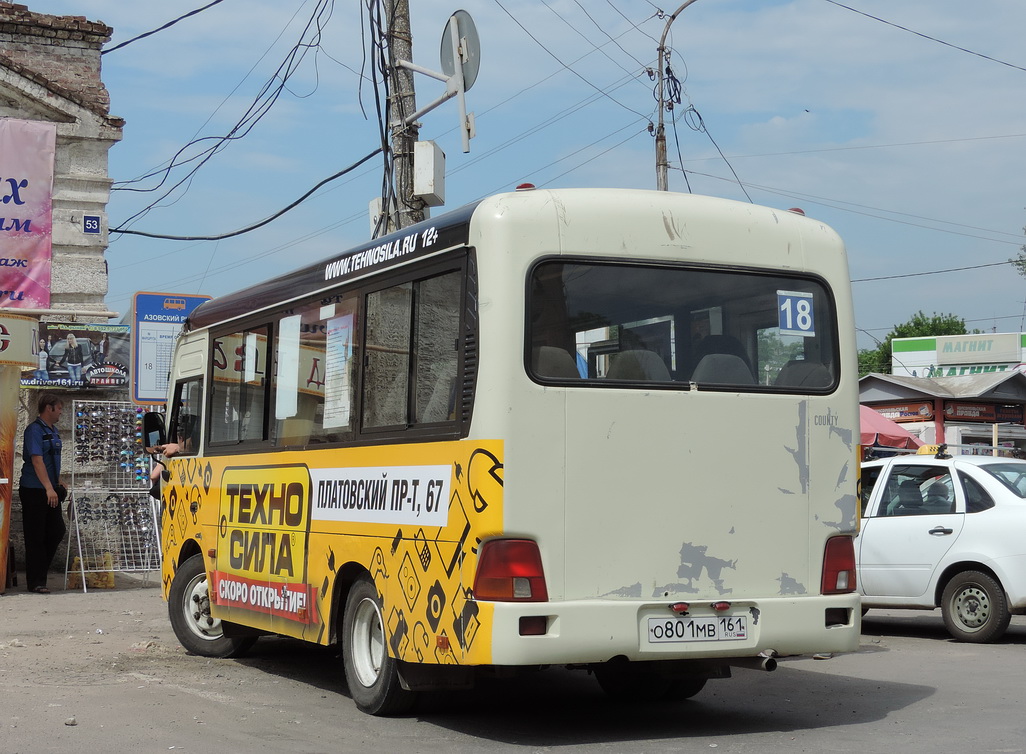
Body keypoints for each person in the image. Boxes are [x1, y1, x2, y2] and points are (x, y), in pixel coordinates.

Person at [18, 392, 67, 594]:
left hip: (49, 488)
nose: (60, 413)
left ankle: (39, 572)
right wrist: (48, 488)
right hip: (34, 490)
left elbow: (50, 460)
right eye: (59, 409)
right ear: (49, 408)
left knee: (56, 531)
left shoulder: (53, 431)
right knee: (35, 536)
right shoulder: (34, 430)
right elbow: (37, 460)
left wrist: (57, 481)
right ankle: (36, 582)